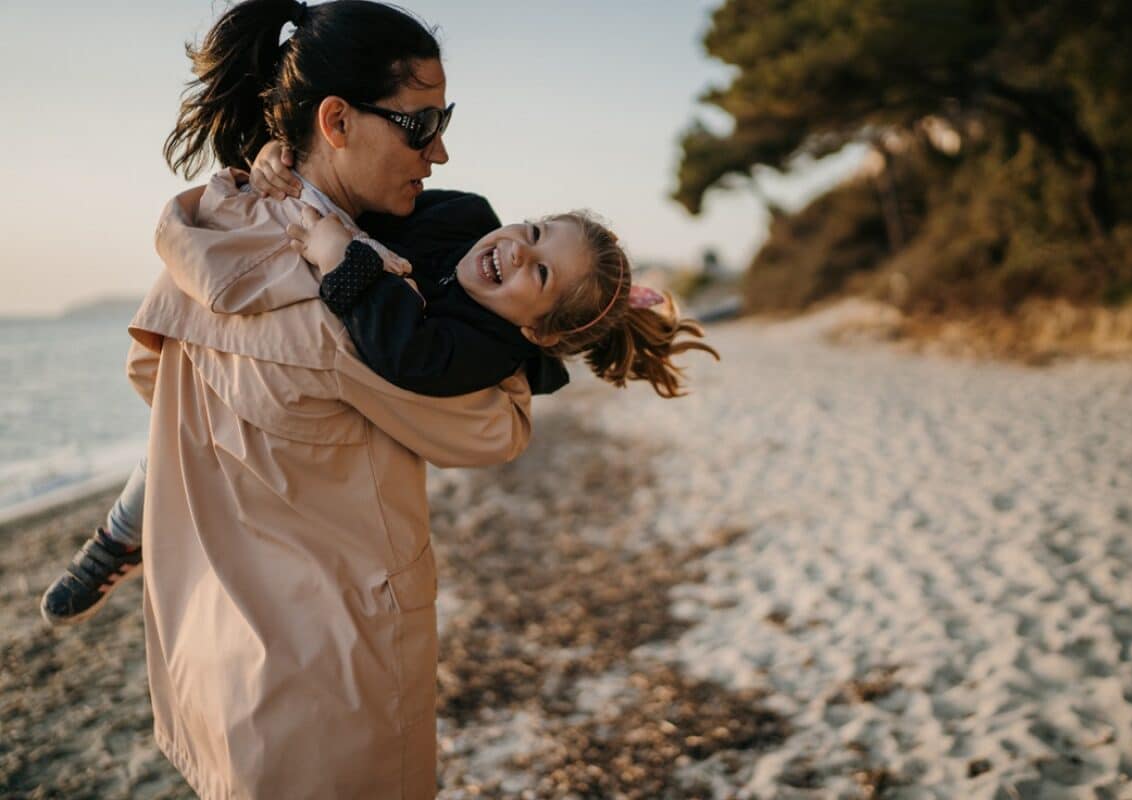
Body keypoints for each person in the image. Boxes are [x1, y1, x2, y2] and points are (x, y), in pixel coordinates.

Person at [38, 1, 716, 796]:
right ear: (336, 119)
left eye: (443, 119)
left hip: (227, 623)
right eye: (421, 123)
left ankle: (120, 534)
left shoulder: (224, 227)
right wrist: (327, 236)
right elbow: (491, 427)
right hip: (325, 642)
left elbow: (153, 375)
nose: (441, 149)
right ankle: (119, 535)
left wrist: (294, 202)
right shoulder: (347, 278)